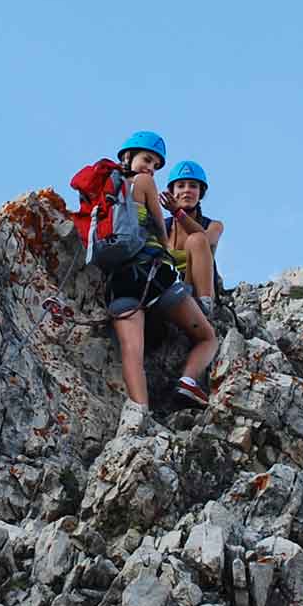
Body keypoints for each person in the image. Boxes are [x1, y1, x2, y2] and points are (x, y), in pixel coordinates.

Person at [101, 131, 217, 433]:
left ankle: (139, 413)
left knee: (131, 351)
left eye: (154, 163)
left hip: (120, 284)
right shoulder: (145, 183)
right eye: (147, 159)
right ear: (129, 158)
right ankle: (188, 380)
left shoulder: (108, 192)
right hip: (154, 278)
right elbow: (162, 237)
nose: (150, 167)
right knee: (208, 337)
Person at [161, 160, 222, 316]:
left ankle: (205, 306)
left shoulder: (214, 226)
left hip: (196, 293)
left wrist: (177, 213)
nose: (187, 190)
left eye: (193, 186)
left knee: (196, 240)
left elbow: (204, 240)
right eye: (181, 185)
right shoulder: (162, 227)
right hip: (169, 290)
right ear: (172, 191)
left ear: (200, 193)